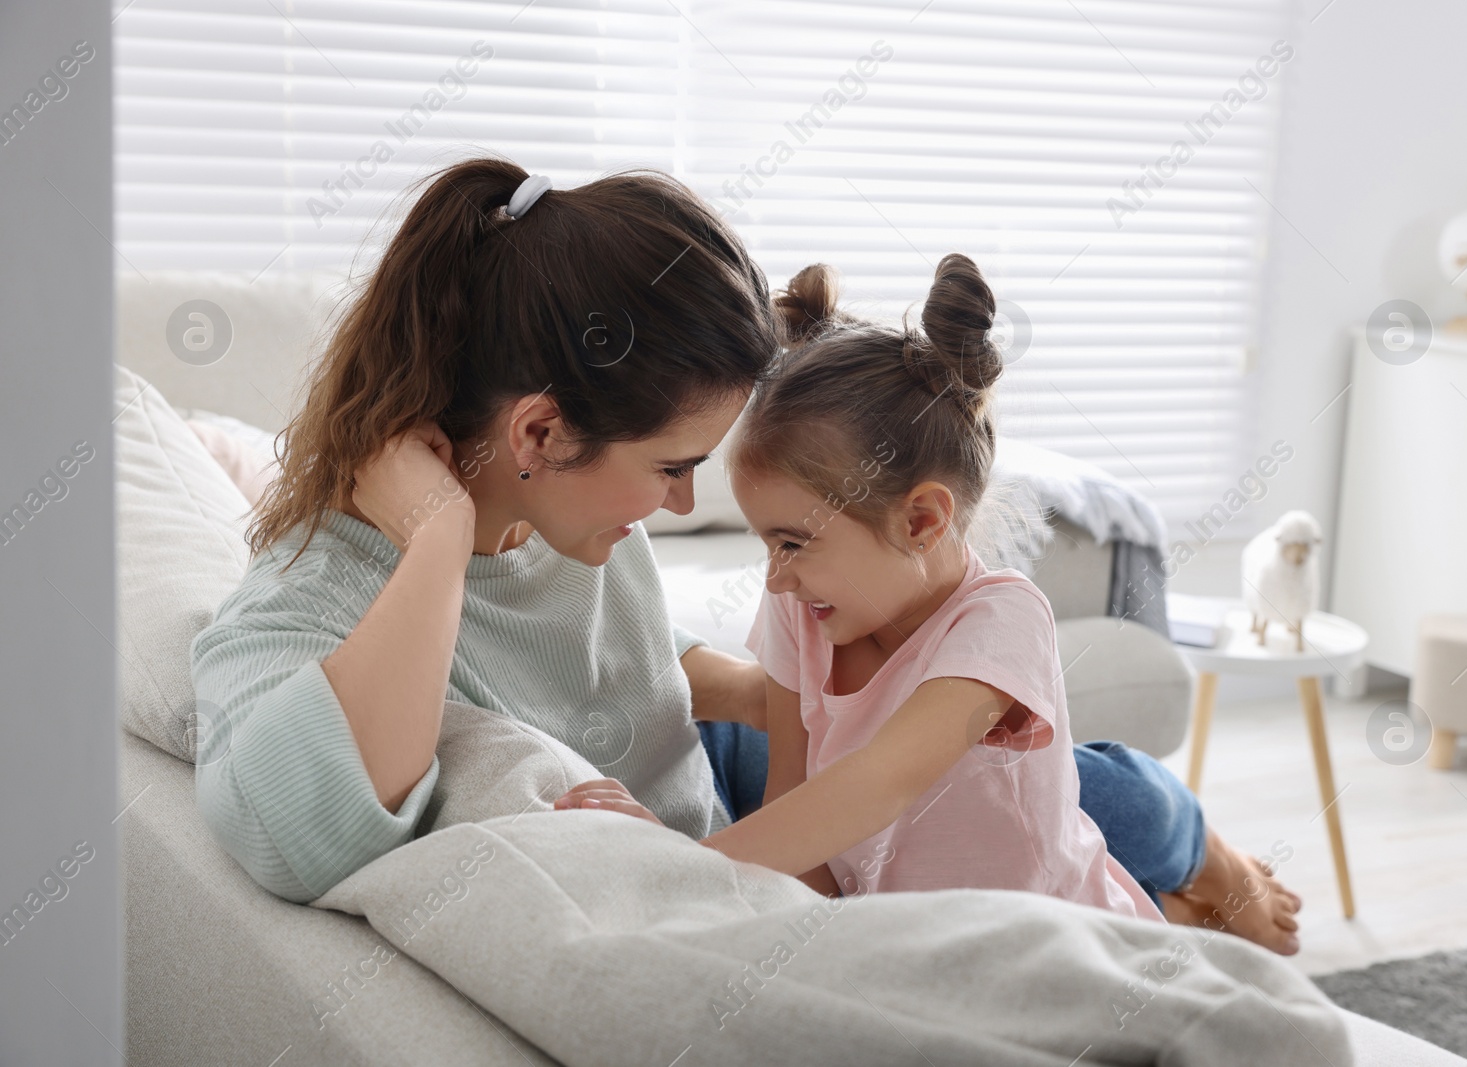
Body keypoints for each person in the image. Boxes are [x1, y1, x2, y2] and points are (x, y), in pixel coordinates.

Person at [191, 158, 1298, 954]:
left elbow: (622, 658)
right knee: (958, 771)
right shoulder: (310, 604)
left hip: (721, 787)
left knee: (1048, 773)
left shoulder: (566, 529)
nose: (679, 503)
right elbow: (298, 833)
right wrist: (434, 543)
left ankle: (1205, 862)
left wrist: (793, 696)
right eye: (673, 464)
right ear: (536, 434)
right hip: (728, 819)